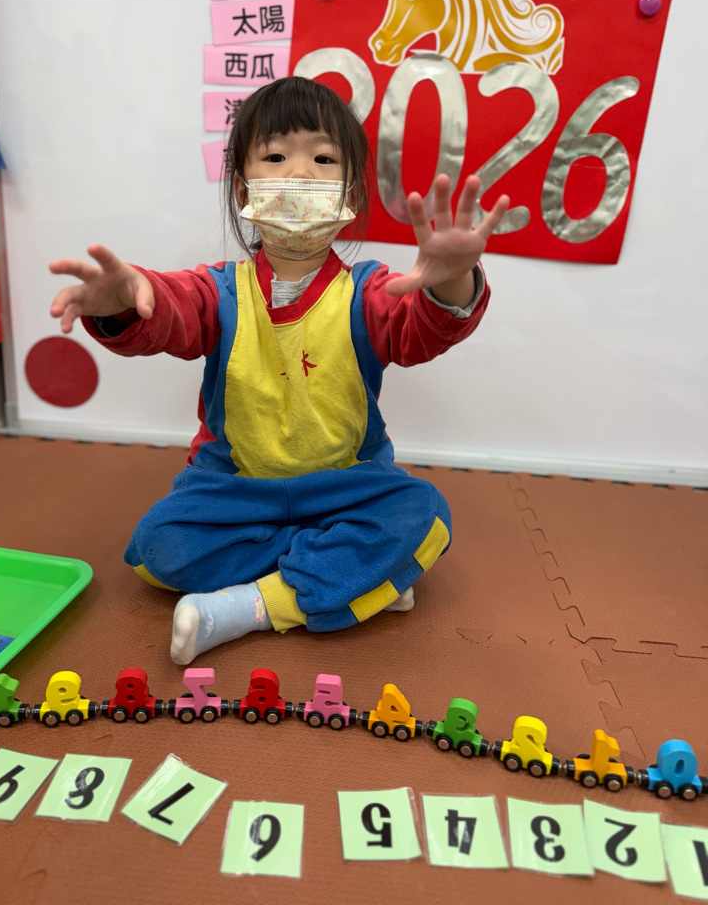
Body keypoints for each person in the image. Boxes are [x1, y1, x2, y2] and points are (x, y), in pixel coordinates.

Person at [49, 76, 509, 665]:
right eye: (274, 157)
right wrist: (123, 298)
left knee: (423, 515)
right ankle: (350, 573)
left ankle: (253, 606)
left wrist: (453, 279)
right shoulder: (218, 290)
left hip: (346, 488)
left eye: (323, 158)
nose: (300, 173)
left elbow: (421, 327)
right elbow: (169, 308)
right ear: (243, 187)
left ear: (350, 192)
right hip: (235, 489)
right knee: (156, 550)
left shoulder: (369, 291)